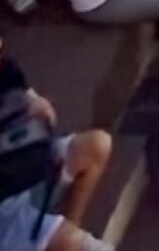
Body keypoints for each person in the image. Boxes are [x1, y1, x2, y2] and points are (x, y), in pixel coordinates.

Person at [0, 45, 111, 251]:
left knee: (97, 145)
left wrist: (37, 105)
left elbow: (32, 102)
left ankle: (67, 227)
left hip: (31, 169)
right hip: (7, 207)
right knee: (84, 246)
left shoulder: (6, 70)